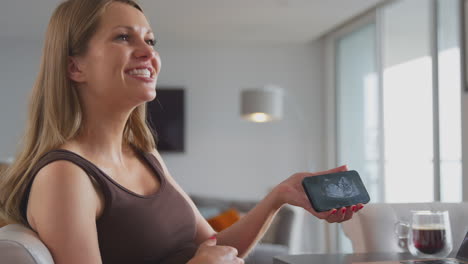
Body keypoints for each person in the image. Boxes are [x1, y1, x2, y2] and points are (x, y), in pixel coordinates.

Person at [0, 0, 364, 263]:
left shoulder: (145, 155)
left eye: (150, 40)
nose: (148, 53)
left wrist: (279, 196)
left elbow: (214, 243)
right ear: (74, 67)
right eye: (124, 38)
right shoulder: (65, 176)